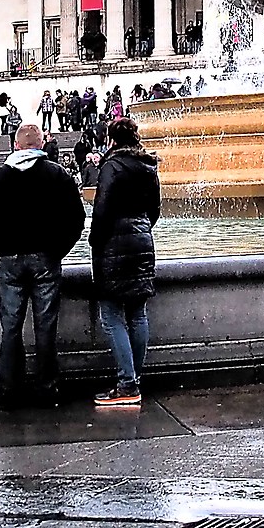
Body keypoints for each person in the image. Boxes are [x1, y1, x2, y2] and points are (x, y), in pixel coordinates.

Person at [0, 120, 84, 410]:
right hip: (46, 257)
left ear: (16, 145)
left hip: (10, 260)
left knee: (10, 326)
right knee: (45, 326)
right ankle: (47, 388)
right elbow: (77, 218)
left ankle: (9, 389)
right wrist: (59, 251)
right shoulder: (57, 175)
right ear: (42, 145)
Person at [89, 116, 161, 411]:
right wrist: (141, 229)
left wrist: (96, 240)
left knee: (112, 315)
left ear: (112, 140)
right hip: (142, 239)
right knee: (138, 314)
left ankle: (126, 384)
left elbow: (102, 208)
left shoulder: (111, 166)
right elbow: (155, 208)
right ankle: (135, 379)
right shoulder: (148, 166)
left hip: (115, 242)